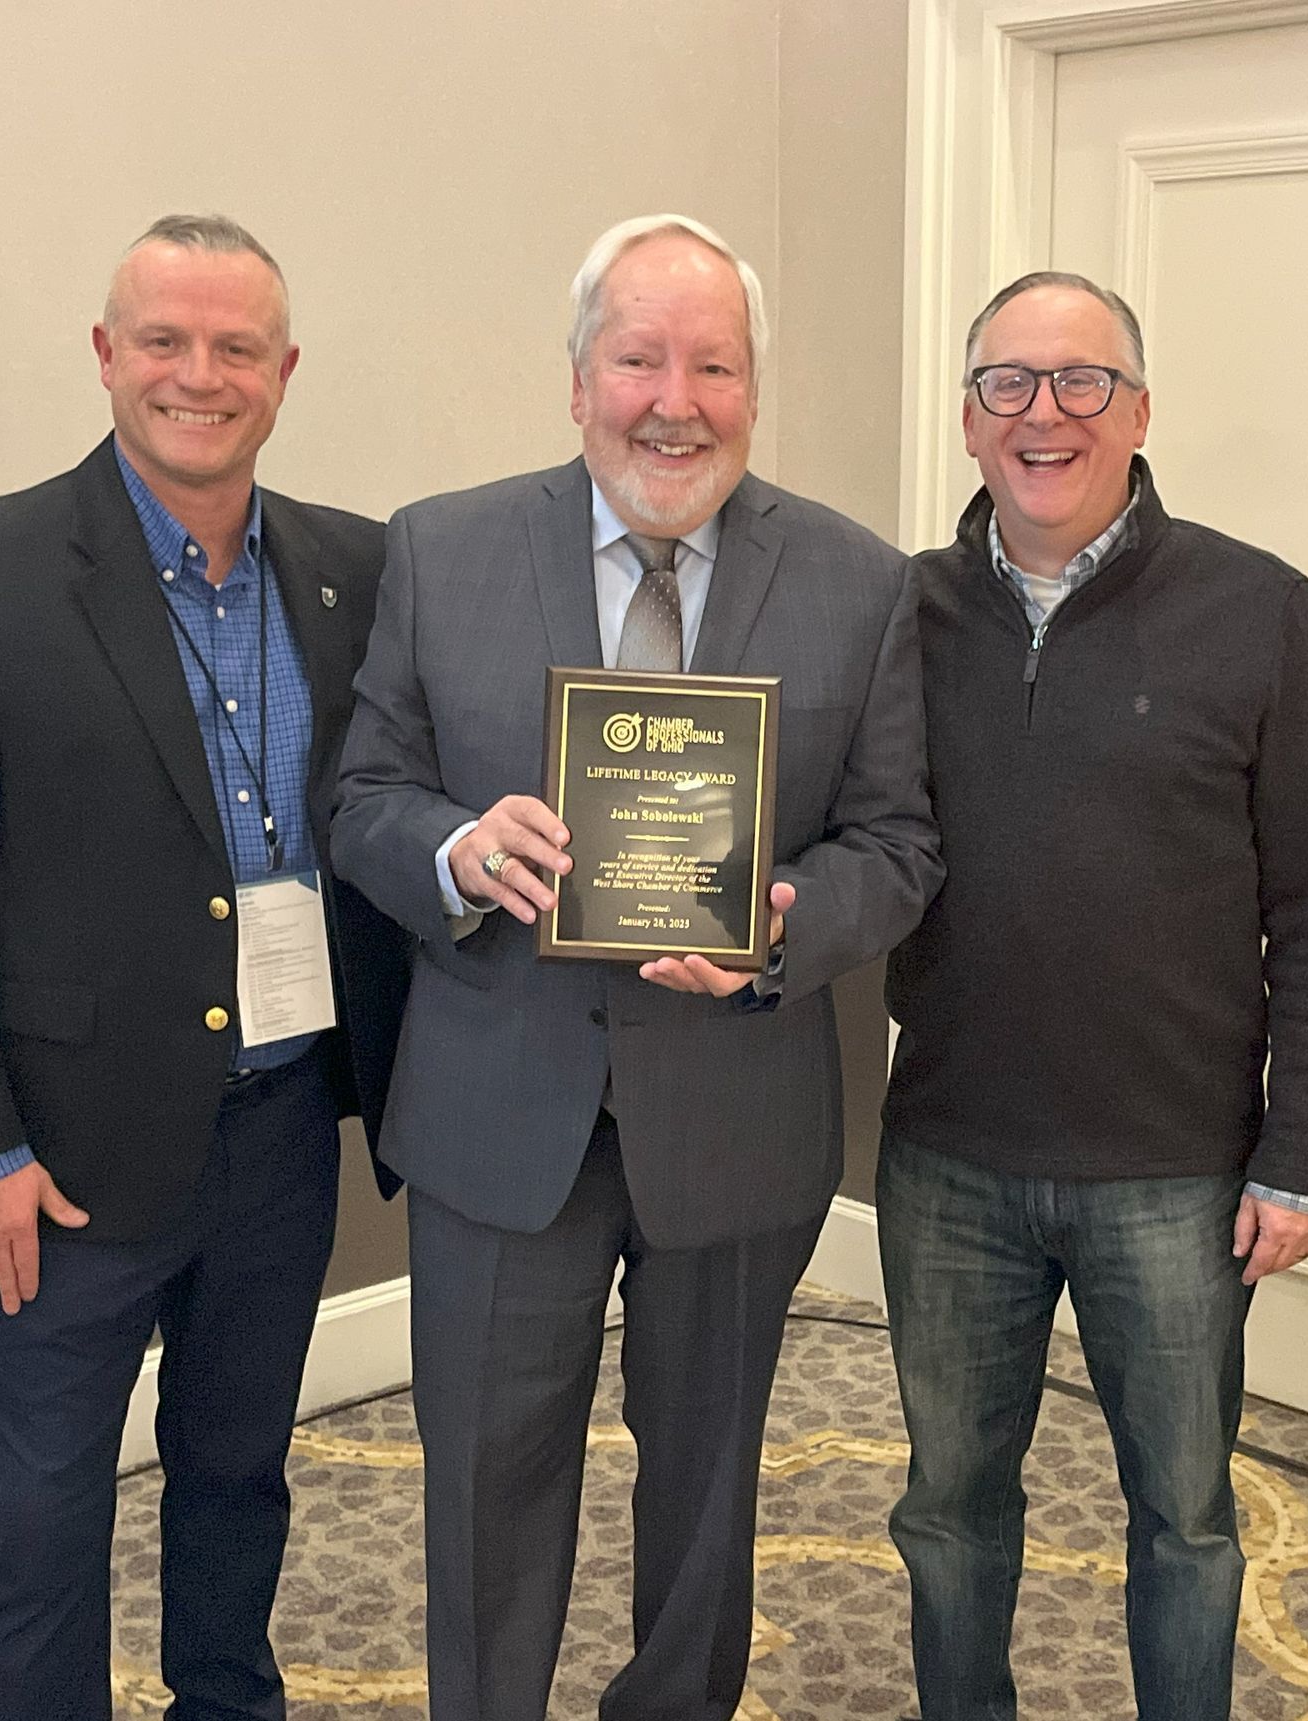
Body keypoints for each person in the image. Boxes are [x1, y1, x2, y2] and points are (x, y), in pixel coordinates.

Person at [331, 212, 940, 1721]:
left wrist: (789, 916)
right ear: (580, 374)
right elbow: (365, 798)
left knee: (711, 1495)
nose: (677, 399)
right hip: (499, 1109)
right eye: (640, 359)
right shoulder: (445, 544)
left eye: (714, 364)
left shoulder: (862, 583)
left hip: (737, 1114)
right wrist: (462, 852)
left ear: (753, 387)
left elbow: (899, 845)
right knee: (482, 1484)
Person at [0, 215, 411, 1720]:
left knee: (239, 1474)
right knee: (45, 1514)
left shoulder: (351, 570)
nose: (199, 373)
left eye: (237, 346)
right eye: (163, 340)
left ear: (283, 372)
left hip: (284, 1127)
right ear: (105, 356)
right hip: (60, 1157)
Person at [880, 271, 1308, 1721]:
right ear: (968, 421)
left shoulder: (1261, 607)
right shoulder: (897, 612)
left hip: (1175, 1170)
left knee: (1187, 1520)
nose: (1045, 413)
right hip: (948, 1156)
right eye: (1009, 384)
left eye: (1082, 380)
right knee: (949, 1511)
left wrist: (1302, 1152)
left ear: (1142, 411)